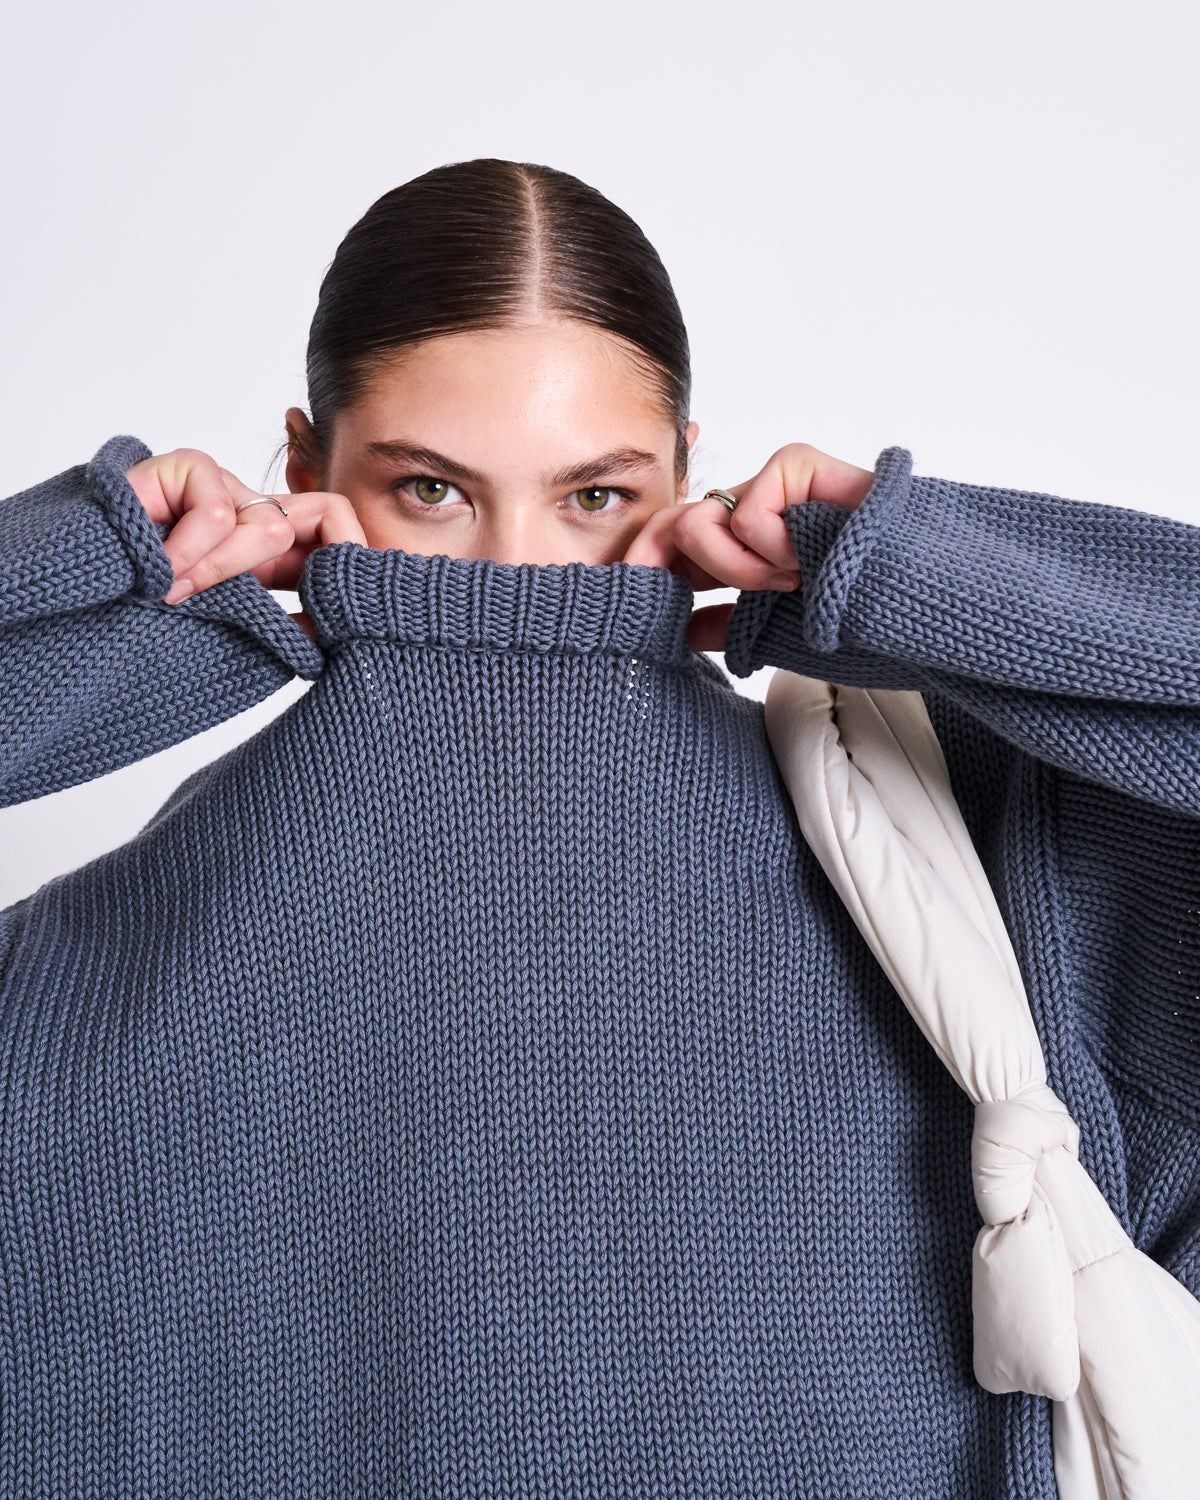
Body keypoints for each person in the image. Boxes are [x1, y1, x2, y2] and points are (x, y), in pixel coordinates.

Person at [0, 157, 1196, 1499]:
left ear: (690, 476)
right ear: (301, 470)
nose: (519, 574)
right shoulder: (62, 972)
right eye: (433, 492)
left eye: (592, 498)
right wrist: (123, 588)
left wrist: (904, 577)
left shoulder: (956, 879)